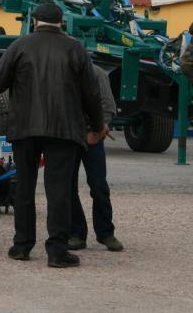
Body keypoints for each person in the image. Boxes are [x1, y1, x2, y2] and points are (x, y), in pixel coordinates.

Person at [0, 2, 105, 268]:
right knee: (59, 190)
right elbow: (91, 92)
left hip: (24, 127)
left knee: (25, 187)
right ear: (61, 22)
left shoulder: (19, 45)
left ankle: (21, 245)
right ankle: (57, 251)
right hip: (64, 129)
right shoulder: (75, 48)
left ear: (35, 20)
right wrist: (97, 125)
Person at [69, 64, 124, 252]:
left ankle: (106, 233)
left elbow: (107, 105)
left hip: (93, 135)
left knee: (99, 186)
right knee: (68, 187)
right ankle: (76, 233)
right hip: (69, 137)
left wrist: (99, 130)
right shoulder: (61, 72)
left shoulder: (97, 73)